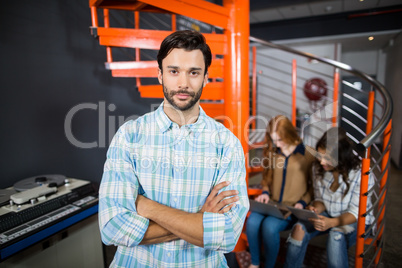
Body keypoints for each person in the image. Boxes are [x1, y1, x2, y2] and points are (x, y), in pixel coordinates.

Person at [98, 30, 249, 268]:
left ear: (206, 77)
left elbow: (227, 234)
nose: (183, 83)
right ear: (160, 75)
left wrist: (147, 206)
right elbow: (112, 229)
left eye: (194, 72)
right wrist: (200, 221)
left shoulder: (227, 144)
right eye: (174, 71)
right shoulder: (129, 136)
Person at [284, 127, 374, 268]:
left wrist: (332, 223)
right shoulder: (318, 168)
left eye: (327, 158)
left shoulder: (361, 173)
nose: (321, 162)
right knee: (298, 228)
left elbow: (357, 212)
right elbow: (321, 199)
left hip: (357, 219)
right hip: (330, 213)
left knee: (336, 235)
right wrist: (316, 209)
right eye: (320, 155)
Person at [246, 115, 314, 268]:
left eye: (280, 140)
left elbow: (313, 187)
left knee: (269, 227)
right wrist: (264, 192)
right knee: (252, 222)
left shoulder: (308, 154)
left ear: (290, 134)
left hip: (291, 209)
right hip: (271, 203)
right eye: (274, 139)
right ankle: (255, 263)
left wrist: (302, 203)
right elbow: (266, 178)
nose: (277, 144)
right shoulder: (273, 151)